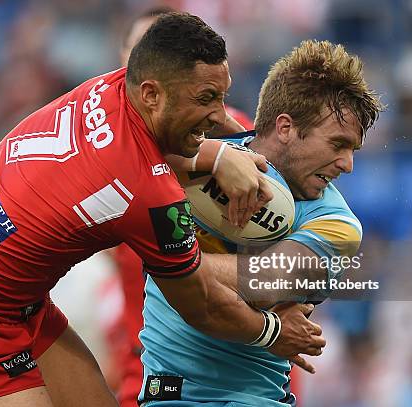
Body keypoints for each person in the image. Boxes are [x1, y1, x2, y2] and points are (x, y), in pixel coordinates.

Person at [0, 13, 323, 407]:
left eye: (222, 96)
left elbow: (127, 160)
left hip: (10, 300)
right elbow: (202, 306)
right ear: (151, 92)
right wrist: (272, 332)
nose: (218, 115)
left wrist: (219, 154)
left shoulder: (109, 86)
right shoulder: (151, 198)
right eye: (206, 98)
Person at [138, 39, 384, 406]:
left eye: (353, 150)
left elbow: (263, 283)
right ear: (284, 127)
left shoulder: (338, 224)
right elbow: (126, 151)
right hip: (163, 392)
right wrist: (211, 156)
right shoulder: (202, 148)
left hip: (251, 398)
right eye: (337, 144)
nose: (347, 164)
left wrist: (165, 257)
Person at [110, 7, 256, 406]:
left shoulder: (239, 135)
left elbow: (295, 268)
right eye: (138, 51)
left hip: (240, 366)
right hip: (149, 371)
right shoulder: (103, 152)